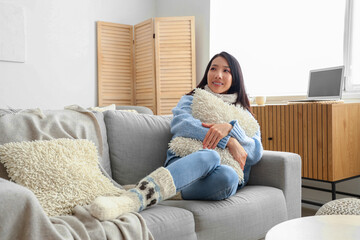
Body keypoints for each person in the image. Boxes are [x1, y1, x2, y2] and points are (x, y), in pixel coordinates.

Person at [90, 51, 264, 221]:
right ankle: (134, 199)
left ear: (236, 77)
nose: (218, 75)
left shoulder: (244, 115)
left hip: (217, 181)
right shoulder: (192, 99)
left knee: (229, 176)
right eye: (213, 68)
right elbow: (182, 125)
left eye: (226, 71)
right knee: (209, 155)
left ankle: (169, 190)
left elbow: (255, 153)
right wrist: (228, 141)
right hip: (186, 163)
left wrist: (230, 129)